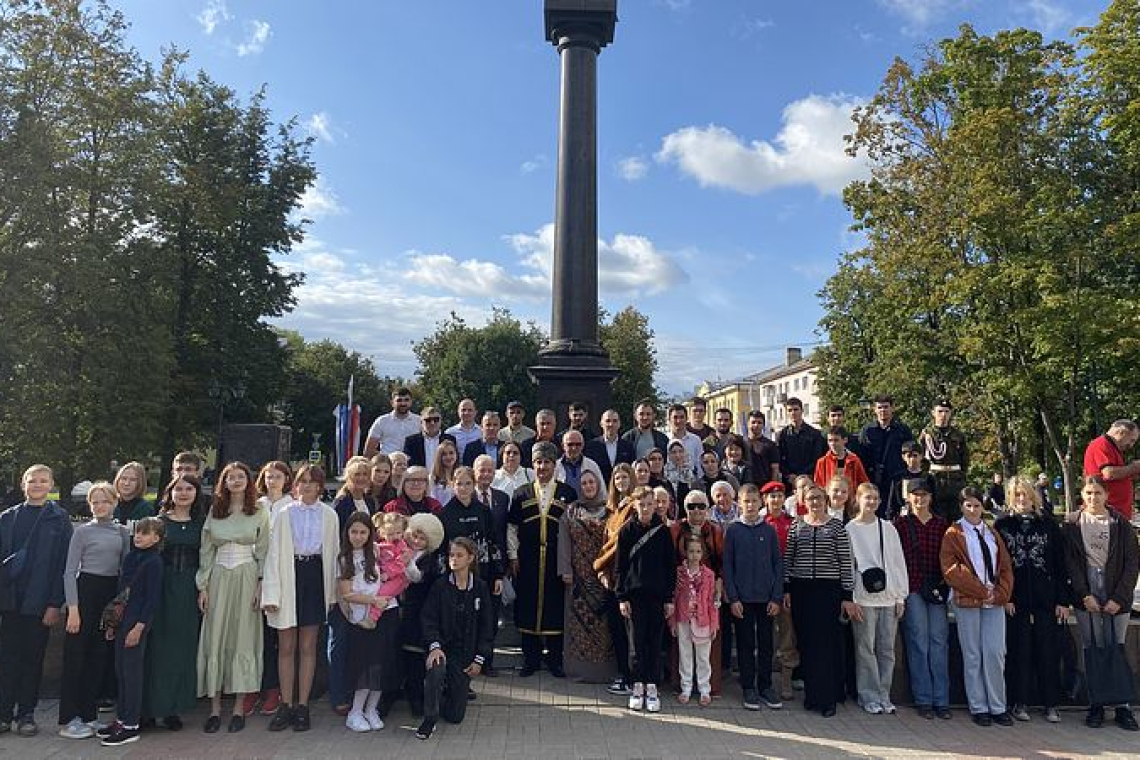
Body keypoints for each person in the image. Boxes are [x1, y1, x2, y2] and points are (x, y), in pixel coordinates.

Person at [261, 464, 340, 733]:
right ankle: (285, 703)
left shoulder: (329, 515)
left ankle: (302, 705)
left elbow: (334, 553)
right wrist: (271, 592)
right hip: (288, 576)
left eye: (312, 481)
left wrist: (331, 592)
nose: (306, 486)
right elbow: (273, 554)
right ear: (295, 485)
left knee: (308, 646)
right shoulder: (284, 513)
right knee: (286, 645)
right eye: (302, 481)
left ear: (320, 485)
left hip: (314, 576)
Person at [196, 461, 270, 735]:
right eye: (231, 477)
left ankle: (239, 708)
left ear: (248, 481)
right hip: (218, 576)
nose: (236, 481)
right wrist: (203, 586)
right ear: (223, 482)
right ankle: (215, 709)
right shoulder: (215, 510)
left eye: (241, 476)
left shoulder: (260, 511)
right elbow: (206, 550)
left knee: (243, 636)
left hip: (247, 575)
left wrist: (261, 584)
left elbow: (263, 549)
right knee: (215, 636)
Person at [1062, 475, 1140, 731]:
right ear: (1082, 495)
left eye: (1098, 493)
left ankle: (1122, 706)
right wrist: (1084, 594)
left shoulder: (1121, 524)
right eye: (1088, 493)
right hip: (1088, 593)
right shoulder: (1073, 523)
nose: (1093, 497)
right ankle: (1096, 703)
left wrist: (1119, 598)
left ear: (1106, 495)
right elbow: (1071, 563)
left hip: (1116, 591)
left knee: (1116, 645)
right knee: (1092, 646)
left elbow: (1131, 564)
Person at [0, 464, 72, 737]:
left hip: (40, 603)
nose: (37, 485)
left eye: (43, 481)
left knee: (33, 658)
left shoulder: (59, 519)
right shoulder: (8, 518)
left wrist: (55, 603)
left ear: (51, 484)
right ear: (23, 484)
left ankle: (26, 713)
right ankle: (4, 712)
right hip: (10, 601)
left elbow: (63, 565)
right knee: (7, 658)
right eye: (32, 481)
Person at [58, 482, 130, 740]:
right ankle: (69, 717)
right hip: (85, 593)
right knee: (76, 656)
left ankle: (89, 714)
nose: (100, 506)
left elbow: (125, 569)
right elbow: (69, 571)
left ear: (114, 503)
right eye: (95, 502)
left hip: (108, 595)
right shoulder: (82, 533)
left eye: (105, 501)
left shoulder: (122, 532)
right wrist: (74, 609)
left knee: (99, 656)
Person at [995, 476, 1068, 724]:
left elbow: (1060, 564)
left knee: (1048, 651)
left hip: (1046, 599)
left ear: (1033, 497)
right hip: (1015, 601)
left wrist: (1062, 600)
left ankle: (1051, 703)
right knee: (1019, 650)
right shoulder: (1003, 525)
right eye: (1017, 495)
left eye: (1025, 494)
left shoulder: (1048, 525)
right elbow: (996, 566)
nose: (1022, 499)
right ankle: (1019, 701)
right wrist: (1004, 596)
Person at [942, 487, 1015, 727]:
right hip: (968, 601)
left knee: (994, 652)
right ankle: (979, 706)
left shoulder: (992, 533)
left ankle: (998, 705)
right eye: (968, 505)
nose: (973, 510)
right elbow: (952, 570)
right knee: (972, 654)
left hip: (994, 602)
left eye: (976, 505)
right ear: (961, 506)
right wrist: (981, 591)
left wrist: (1000, 593)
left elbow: (1005, 566)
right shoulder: (954, 533)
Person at [783, 485, 857, 717]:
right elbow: (789, 558)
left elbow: (845, 562)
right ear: (804, 500)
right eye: (810, 498)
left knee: (826, 645)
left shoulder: (836, 526)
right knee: (807, 643)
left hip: (828, 590)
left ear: (825, 501)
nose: (814, 502)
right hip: (801, 588)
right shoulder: (797, 524)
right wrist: (787, 589)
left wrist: (847, 596)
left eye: (818, 498)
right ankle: (812, 695)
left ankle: (827, 698)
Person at [415, 537, 495, 740]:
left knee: (455, 716)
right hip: (442, 648)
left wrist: (480, 659)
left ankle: (445, 693)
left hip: (464, 653)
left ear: (470, 558)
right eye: (451, 555)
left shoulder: (480, 587)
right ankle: (429, 718)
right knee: (436, 667)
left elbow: (487, 627)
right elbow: (428, 619)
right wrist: (434, 646)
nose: (454, 559)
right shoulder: (440, 586)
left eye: (459, 555)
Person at [508, 441, 577, 677]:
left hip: (557, 561)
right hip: (528, 559)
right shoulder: (521, 493)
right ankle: (531, 659)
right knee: (528, 604)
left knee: (554, 607)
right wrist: (513, 555)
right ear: (532, 464)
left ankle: (555, 659)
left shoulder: (568, 493)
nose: (542, 467)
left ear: (554, 465)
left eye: (547, 462)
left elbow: (574, 530)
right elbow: (512, 528)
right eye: (538, 462)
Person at [144, 473, 206, 732]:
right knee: (156, 648)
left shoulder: (202, 524)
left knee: (182, 648)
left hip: (189, 589)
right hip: (161, 586)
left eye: (189, 489)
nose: (183, 493)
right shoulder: (158, 522)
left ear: (196, 493)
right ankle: (148, 708)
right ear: (170, 492)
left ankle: (173, 708)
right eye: (178, 489)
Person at [97, 517, 165, 747]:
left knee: (132, 674)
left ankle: (131, 724)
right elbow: (121, 593)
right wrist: (113, 624)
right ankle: (122, 717)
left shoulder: (154, 562)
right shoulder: (131, 558)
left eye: (145, 534)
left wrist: (139, 626)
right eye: (137, 532)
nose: (139, 537)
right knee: (121, 673)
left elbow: (151, 599)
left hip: (136, 622)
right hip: (122, 620)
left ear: (156, 538)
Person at [846, 483, 909, 715]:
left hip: (888, 597)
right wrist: (851, 597)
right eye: (867, 498)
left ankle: (884, 694)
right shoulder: (850, 529)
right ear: (858, 500)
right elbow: (848, 565)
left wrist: (901, 596)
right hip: (863, 598)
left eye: (875, 498)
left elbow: (897, 562)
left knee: (886, 649)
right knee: (865, 648)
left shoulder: (888, 528)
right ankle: (868, 695)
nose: (871, 502)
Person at [337, 513, 401, 733]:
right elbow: (346, 594)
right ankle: (355, 712)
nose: (358, 536)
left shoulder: (376, 550)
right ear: (347, 532)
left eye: (363, 532)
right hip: (361, 618)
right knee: (364, 667)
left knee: (381, 665)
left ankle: (371, 709)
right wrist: (373, 600)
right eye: (354, 531)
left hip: (385, 613)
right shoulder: (344, 558)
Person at [723, 483, 784, 712]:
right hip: (743, 599)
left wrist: (776, 597)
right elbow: (728, 566)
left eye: (754, 501)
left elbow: (777, 564)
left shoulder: (768, 531)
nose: (750, 505)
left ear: (761, 503)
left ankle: (766, 685)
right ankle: (748, 686)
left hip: (766, 599)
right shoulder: (733, 530)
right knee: (746, 643)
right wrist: (733, 597)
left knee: (767, 644)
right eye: (746, 501)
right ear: (740, 503)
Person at [894, 478, 951, 720]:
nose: (920, 498)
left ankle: (942, 699)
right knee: (918, 641)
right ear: (908, 497)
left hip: (936, 588)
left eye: (925, 494)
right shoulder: (901, 525)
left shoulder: (942, 525)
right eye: (915, 494)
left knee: (939, 642)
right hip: (913, 587)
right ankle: (923, 698)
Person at [615, 488, 676, 713]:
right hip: (634, 596)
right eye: (642, 504)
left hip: (658, 596)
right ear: (635, 505)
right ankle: (637, 685)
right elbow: (620, 567)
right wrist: (621, 596)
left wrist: (669, 598)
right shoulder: (627, 531)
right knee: (636, 643)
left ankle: (652, 685)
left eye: (650, 504)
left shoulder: (662, 531)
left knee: (655, 641)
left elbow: (670, 567)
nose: (646, 508)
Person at [557, 469, 615, 683]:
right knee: (578, 626)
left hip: (603, 578)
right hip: (578, 580)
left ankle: (604, 672)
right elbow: (563, 541)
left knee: (604, 627)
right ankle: (579, 671)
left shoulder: (610, 511)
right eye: (584, 484)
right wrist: (565, 570)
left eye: (592, 482)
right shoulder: (571, 511)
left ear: (598, 484)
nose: (588, 486)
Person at [669, 490, 725, 696]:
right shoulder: (676, 529)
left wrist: (718, 585)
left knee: (707, 644)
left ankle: (707, 687)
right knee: (682, 644)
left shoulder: (715, 530)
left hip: (708, 589)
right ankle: (682, 685)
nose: (697, 510)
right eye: (692, 506)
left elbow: (721, 562)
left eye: (701, 506)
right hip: (683, 589)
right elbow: (670, 560)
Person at [594, 463, 637, 695]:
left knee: (629, 630)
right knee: (617, 629)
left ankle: (631, 677)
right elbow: (605, 541)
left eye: (625, 477)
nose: (621, 482)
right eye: (617, 478)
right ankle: (623, 673)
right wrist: (603, 572)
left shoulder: (633, 507)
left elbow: (619, 544)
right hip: (612, 576)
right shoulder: (613, 509)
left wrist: (598, 564)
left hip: (627, 577)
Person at [397, 513, 445, 717]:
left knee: (416, 658)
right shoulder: (402, 550)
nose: (416, 541)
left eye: (422, 538)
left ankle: (417, 699)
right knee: (405, 658)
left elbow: (417, 578)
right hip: (400, 610)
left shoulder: (430, 560)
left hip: (418, 613)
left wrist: (408, 563)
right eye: (414, 536)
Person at [438, 467, 503, 600]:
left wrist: (498, 575)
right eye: (459, 484)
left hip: (483, 574)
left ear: (474, 485)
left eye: (468, 483)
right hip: (455, 576)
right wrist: (443, 578)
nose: (463, 488)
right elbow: (441, 550)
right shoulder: (444, 514)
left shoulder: (484, 511)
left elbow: (494, 543)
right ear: (452, 485)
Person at [473, 455, 510, 677]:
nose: (485, 474)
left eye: (489, 470)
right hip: (471, 569)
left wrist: (501, 570)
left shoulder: (503, 498)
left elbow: (503, 535)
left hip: (494, 568)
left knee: (491, 615)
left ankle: (488, 661)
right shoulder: (467, 497)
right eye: (481, 470)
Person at [762, 482, 799, 700]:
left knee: (787, 634)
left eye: (779, 496)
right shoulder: (760, 522)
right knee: (765, 636)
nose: (775, 500)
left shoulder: (792, 524)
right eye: (771, 496)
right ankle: (764, 678)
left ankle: (786, 680)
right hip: (762, 587)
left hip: (784, 586)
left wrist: (787, 587)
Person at [671, 535, 719, 706]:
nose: (694, 555)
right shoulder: (679, 573)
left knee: (703, 657)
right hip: (683, 619)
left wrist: (714, 623)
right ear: (685, 552)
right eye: (691, 551)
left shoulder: (709, 575)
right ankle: (686, 687)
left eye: (698, 551)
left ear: (703, 553)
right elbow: (674, 598)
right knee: (685, 655)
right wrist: (672, 620)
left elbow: (713, 601)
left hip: (703, 620)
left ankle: (704, 689)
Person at [921, 400, 969, 523]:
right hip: (936, 481)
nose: (943, 414)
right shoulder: (927, 434)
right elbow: (921, 458)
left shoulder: (958, 435)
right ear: (933, 413)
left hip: (955, 481)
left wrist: (962, 477)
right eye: (940, 411)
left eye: (947, 411)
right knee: (938, 519)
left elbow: (965, 459)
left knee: (958, 519)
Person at [1082, 419, 1139, 522]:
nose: (1131, 445)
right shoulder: (1101, 444)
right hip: (1107, 513)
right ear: (1121, 432)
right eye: (1132, 440)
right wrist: (1134, 468)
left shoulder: (1112, 448)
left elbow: (1117, 475)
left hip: (1116, 512)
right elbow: (1109, 473)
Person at [859, 395, 915, 499]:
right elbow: (862, 456)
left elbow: (910, 453)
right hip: (874, 479)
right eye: (879, 407)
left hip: (897, 477)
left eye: (886, 407)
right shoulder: (867, 431)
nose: (883, 410)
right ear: (874, 409)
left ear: (892, 408)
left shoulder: (902, 430)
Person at [776, 397, 827, 490]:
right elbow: (779, 458)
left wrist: (802, 476)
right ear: (786, 413)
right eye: (790, 410)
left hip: (809, 479)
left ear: (802, 410)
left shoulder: (814, 434)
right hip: (789, 481)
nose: (793, 413)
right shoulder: (782, 435)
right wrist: (788, 475)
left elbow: (817, 458)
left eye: (796, 409)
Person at [884, 441, 937, 520]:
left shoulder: (929, 478)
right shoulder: (898, 478)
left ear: (921, 456)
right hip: (903, 517)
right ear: (903, 457)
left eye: (915, 456)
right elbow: (892, 502)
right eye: (909, 456)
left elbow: (935, 501)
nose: (912, 459)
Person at [363, 387, 420, 457]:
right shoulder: (382, 421)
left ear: (411, 402)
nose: (403, 403)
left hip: (412, 465)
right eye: (399, 400)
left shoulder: (419, 421)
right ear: (392, 403)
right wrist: (387, 459)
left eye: (406, 400)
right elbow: (369, 451)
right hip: (388, 465)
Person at [585, 408, 635, 488]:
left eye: (615, 421)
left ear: (619, 424)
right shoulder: (592, 446)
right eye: (608, 421)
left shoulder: (628, 446)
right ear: (601, 424)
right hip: (599, 490)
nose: (611, 424)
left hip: (622, 490)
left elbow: (631, 471)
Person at [814, 427, 870, 493]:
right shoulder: (822, 462)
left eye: (836, 440)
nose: (832, 444)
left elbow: (864, 483)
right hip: (830, 500)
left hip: (850, 500)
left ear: (845, 440)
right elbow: (818, 485)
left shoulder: (854, 460)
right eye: (830, 440)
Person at [555, 430, 604, 499]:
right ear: (563, 446)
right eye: (570, 444)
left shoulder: (592, 465)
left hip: (588, 508)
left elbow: (602, 492)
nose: (574, 448)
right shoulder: (555, 467)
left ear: (583, 445)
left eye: (578, 444)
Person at [332, 456, 376, 529]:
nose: (361, 478)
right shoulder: (342, 501)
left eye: (365, 474)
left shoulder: (370, 501)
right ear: (349, 477)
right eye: (357, 474)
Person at [665, 404, 703, 479]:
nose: (678, 421)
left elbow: (699, 464)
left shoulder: (695, 440)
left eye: (682, 417)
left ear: (687, 419)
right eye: (675, 417)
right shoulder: (664, 439)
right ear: (669, 419)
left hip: (691, 483)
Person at [745, 410, 781, 486]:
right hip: (745, 484)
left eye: (759, 423)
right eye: (753, 422)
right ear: (748, 424)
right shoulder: (741, 443)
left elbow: (775, 469)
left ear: (763, 425)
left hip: (764, 485)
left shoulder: (770, 445)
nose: (756, 425)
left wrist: (772, 486)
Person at [663, 440, 696, 508]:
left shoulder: (689, 470)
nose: (677, 455)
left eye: (680, 451)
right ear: (669, 454)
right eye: (673, 452)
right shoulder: (664, 471)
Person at [428, 440, 459, 505]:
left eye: (451, 453)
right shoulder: (433, 478)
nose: (448, 457)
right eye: (444, 454)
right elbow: (431, 500)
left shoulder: (461, 475)